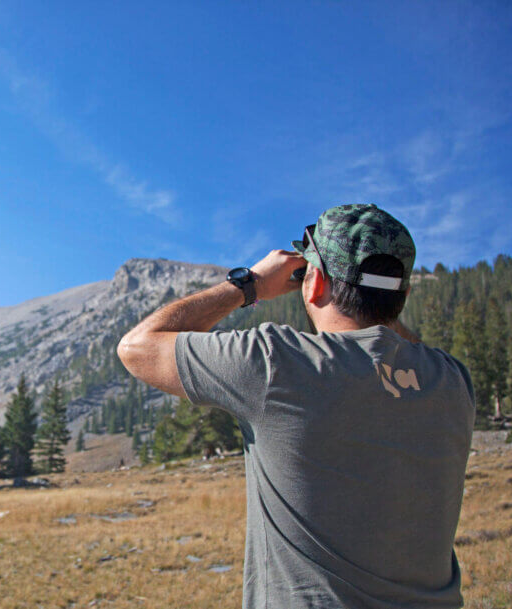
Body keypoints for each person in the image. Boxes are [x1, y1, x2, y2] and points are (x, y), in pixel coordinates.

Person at [117, 203, 474, 609]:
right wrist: (382, 303)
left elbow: (137, 348)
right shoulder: (452, 382)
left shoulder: (277, 363)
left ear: (314, 282)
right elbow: (394, 341)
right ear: (403, 295)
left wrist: (248, 284)